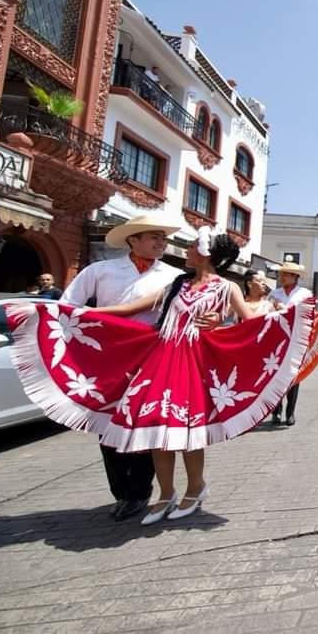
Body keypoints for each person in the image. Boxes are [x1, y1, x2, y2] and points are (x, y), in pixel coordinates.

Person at [6, 227, 314, 526]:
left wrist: (220, 326)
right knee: (154, 426)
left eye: (193, 245)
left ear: (206, 254)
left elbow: (249, 326)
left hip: (193, 362)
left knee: (189, 431)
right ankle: (166, 493)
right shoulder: (176, 284)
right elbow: (128, 309)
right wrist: (70, 314)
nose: (187, 249)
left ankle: (195, 489)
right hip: (161, 358)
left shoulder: (227, 287)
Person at [54, 214, 184, 521]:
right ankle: (121, 491)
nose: (160, 242)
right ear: (132, 240)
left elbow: (185, 314)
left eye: (163, 238)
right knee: (107, 424)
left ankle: (140, 491)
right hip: (106, 357)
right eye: (153, 236)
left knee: (144, 423)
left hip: (149, 357)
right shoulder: (100, 271)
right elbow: (68, 305)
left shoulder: (173, 276)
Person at [270, 260, 314, 426]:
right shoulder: (274, 294)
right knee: (275, 377)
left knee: (294, 378)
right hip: (277, 340)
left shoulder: (305, 295)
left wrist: (287, 310)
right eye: (281, 274)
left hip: (296, 340)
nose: (282, 277)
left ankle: (290, 412)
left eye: (285, 274)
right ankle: (276, 410)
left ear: (294, 276)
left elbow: (309, 316)